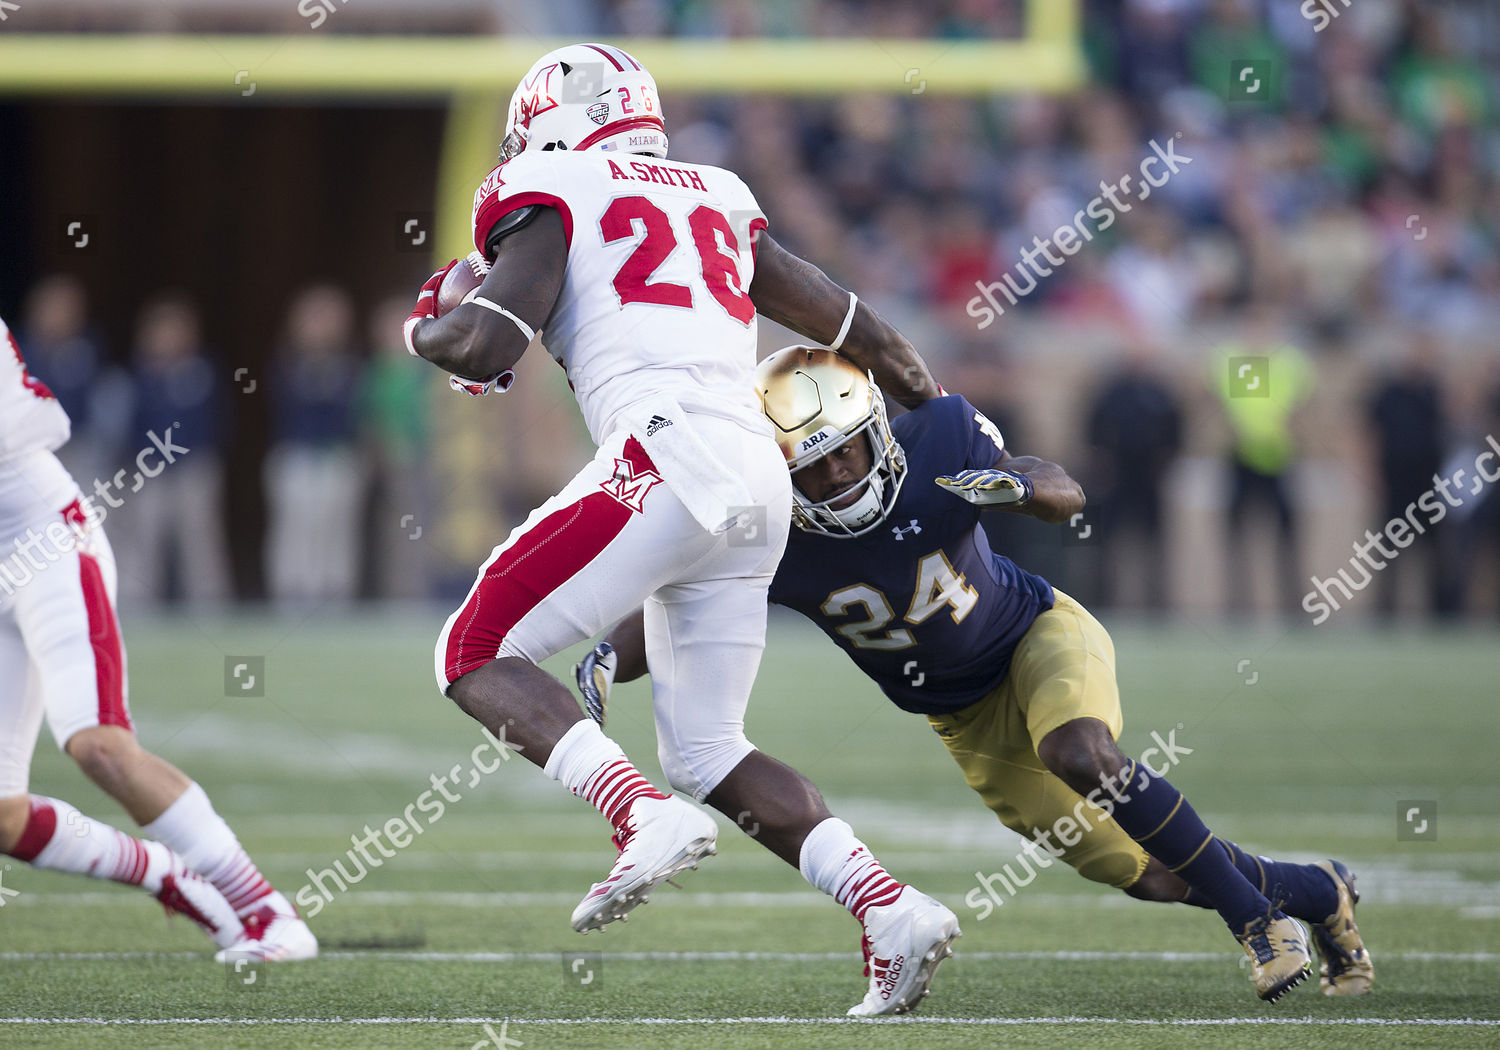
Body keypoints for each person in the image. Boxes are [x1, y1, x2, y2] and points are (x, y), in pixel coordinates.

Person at [404, 43, 956, 1016]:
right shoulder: (718, 190)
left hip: (664, 454)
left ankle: (635, 815)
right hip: (755, 474)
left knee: (471, 646)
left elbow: (487, 342)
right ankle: (889, 908)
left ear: (549, 120)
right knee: (707, 750)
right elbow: (858, 329)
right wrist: (938, 420)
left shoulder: (547, 181)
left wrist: (427, 327)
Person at [582, 346, 1373, 1004]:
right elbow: (678, 618)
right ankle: (1313, 891)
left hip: (1037, 635)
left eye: (845, 453)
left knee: (1080, 752)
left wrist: (1019, 489)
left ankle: (1258, 923)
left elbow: (1063, 490)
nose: (834, 481)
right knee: (1151, 877)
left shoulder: (941, 438)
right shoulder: (769, 532)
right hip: (963, 720)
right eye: (809, 468)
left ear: (876, 430)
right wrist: (609, 654)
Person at [0, 314, 315, 962]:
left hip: (40, 539)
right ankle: (162, 873)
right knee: (4, 817)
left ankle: (268, 912)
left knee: (99, 746)